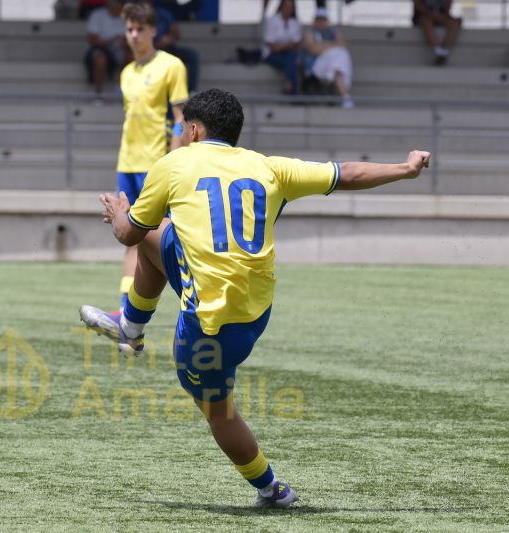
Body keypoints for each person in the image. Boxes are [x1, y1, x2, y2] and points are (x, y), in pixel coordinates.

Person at [80, 88, 430, 508]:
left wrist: (118, 210)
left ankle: (272, 489)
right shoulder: (268, 166)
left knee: (217, 409)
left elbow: (128, 236)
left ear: (192, 130)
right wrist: (405, 169)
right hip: (256, 311)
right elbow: (347, 174)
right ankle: (130, 327)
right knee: (162, 237)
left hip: (209, 326)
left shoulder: (173, 164)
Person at [114, 1, 188, 312]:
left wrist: (172, 159)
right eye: (129, 29)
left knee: (165, 236)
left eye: (139, 29)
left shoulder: (172, 66)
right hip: (127, 163)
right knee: (130, 235)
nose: (134, 35)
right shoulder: (127, 72)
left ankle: (190, 297)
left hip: (155, 165)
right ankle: (124, 308)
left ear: (153, 30)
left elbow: (181, 118)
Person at [142, 0, 200, 93]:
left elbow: (176, 34)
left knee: (193, 56)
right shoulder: (137, 16)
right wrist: (153, 44)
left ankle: (190, 92)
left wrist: (168, 39)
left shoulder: (162, 12)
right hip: (147, 50)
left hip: (166, 48)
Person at [302, 7, 354, 108]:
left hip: (331, 65)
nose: (321, 22)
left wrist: (323, 45)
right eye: (319, 19)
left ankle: (343, 94)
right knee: (341, 55)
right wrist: (332, 45)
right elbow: (312, 49)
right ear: (315, 20)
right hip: (317, 66)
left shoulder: (333, 32)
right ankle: (345, 94)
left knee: (341, 55)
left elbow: (343, 45)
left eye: (323, 19)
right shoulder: (310, 33)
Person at [85, 0, 129, 96]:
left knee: (133, 57)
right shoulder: (97, 15)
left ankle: (128, 91)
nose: (117, 9)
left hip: (122, 50)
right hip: (102, 48)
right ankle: (98, 93)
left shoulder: (128, 16)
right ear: (109, 5)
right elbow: (92, 39)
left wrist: (125, 42)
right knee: (100, 59)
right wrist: (112, 40)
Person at [262, 0, 301, 95]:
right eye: (286, 6)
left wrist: (281, 47)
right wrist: (287, 47)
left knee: (290, 58)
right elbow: (272, 46)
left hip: (286, 54)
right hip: (272, 55)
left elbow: (295, 44)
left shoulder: (295, 23)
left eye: (290, 7)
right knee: (291, 60)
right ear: (281, 7)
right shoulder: (273, 20)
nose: (288, 9)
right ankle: (293, 94)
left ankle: (289, 85)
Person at [413, 0, 462, 65]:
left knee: (455, 23)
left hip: (440, 15)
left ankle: (445, 51)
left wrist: (440, 16)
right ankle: (438, 49)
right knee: (425, 22)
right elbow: (417, 6)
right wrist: (432, 14)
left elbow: (447, 8)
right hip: (424, 15)